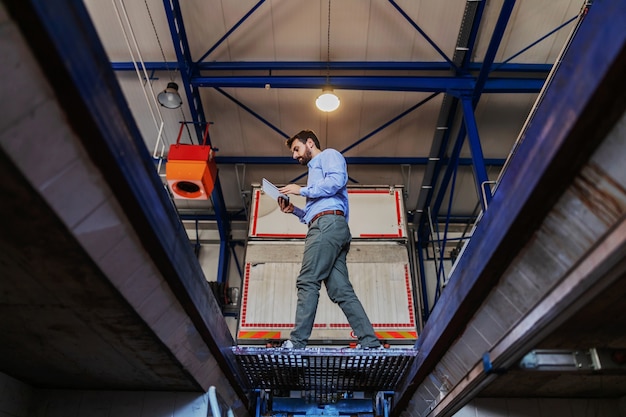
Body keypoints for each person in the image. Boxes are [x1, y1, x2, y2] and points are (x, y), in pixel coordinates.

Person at [276, 129, 381, 349]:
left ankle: (296, 343)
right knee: (340, 291)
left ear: (310, 143)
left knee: (307, 280)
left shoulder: (329, 155)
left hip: (327, 225)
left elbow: (337, 181)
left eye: (296, 149)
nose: (295, 156)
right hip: (329, 225)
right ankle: (370, 343)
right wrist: (293, 210)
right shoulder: (314, 175)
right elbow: (313, 213)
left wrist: (301, 190)